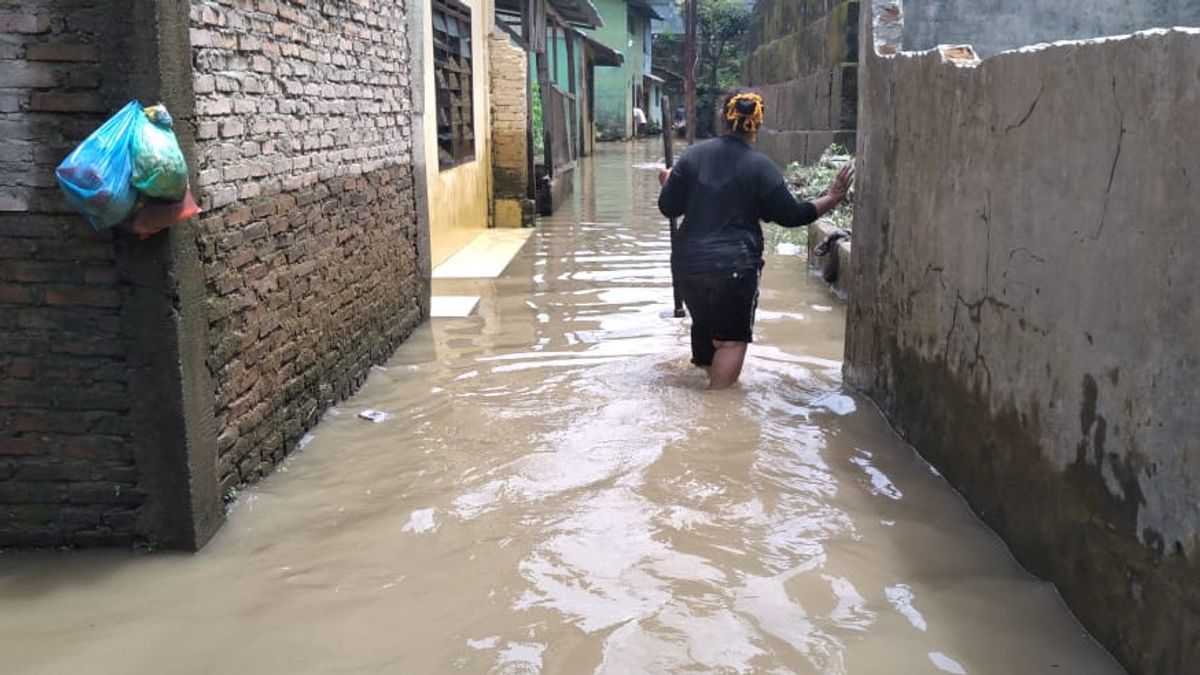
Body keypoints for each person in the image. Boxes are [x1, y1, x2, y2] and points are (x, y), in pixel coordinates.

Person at [657, 88, 853, 389]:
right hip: (734, 267)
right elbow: (793, 216)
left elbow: (669, 207)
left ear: (723, 117)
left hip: (688, 266)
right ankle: (718, 416)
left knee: (707, 330)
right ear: (758, 124)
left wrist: (667, 182)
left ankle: (705, 405)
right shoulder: (762, 168)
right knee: (731, 343)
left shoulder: (692, 157)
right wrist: (833, 196)